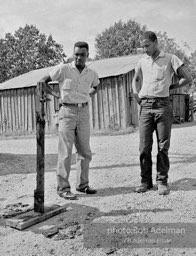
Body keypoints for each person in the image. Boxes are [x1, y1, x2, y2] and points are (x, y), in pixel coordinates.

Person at [132, 31, 192, 195]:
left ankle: (162, 181)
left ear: (156, 42)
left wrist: (171, 88)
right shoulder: (142, 62)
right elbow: (136, 78)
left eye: (147, 45)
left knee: (163, 146)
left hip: (163, 106)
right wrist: (136, 95)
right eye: (142, 46)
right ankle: (145, 182)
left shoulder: (170, 58)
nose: (144, 49)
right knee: (144, 146)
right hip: (145, 106)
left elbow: (187, 78)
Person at [43, 41, 100, 200]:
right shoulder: (64, 69)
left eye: (82, 54)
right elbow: (43, 81)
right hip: (66, 112)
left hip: (84, 112)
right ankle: (63, 188)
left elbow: (96, 86)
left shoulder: (91, 73)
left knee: (85, 152)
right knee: (65, 152)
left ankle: (83, 185)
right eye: (76, 54)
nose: (79, 57)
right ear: (73, 54)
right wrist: (56, 96)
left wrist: (88, 94)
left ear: (88, 55)